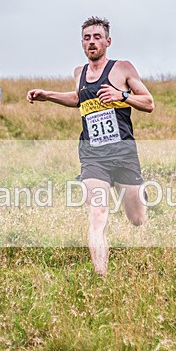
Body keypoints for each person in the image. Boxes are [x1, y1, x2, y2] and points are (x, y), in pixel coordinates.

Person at [26, 17, 155, 276]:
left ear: (108, 41)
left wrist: (122, 96)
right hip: (92, 155)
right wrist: (47, 96)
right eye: (87, 38)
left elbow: (149, 102)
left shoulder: (123, 68)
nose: (92, 42)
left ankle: (135, 191)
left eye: (97, 37)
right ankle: (101, 275)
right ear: (82, 43)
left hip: (123, 153)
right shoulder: (79, 73)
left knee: (137, 219)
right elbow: (78, 98)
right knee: (97, 213)